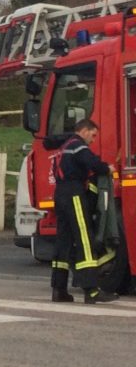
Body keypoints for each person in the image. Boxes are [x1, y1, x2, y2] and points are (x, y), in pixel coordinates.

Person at [51, 118, 117, 304]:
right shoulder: (78, 146)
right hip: (74, 194)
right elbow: (92, 163)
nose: (93, 140)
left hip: (60, 195)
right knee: (84, 240)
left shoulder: (64, 147)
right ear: (85, 131)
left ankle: (59, 290)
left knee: (63, 242)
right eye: (93, 135)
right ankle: (92, 291)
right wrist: (107, 168)